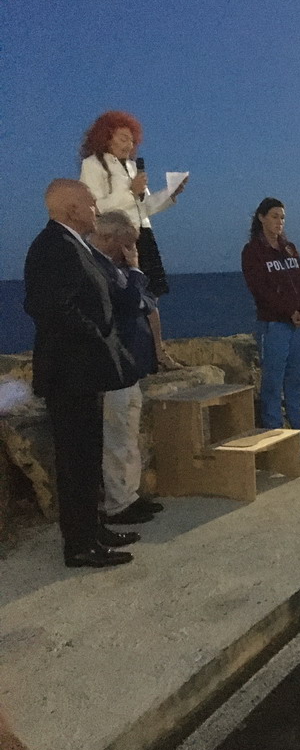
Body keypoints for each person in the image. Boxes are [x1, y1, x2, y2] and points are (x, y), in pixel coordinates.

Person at [23, 180, 137, 567]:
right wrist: (98, 338)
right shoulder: (52, 246)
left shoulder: (72, 243)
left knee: (88, 457)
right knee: (75, 462)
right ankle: (79, 545)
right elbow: (51, 307)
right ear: (71, 209)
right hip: (69, 373)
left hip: (83, 372)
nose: (96, 210)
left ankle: (93, 529)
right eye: (91, 204)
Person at [79, 110, 187, 370]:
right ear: (106, 137)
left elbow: (144, 206)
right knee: (120, 294)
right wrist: (130, 191)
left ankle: (157, 352)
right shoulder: (93, 165)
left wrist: (170, 194)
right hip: (115, 236)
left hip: (142, 232)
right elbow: (95, 206)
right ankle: (124, 353)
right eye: (123, 138)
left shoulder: (130, 167)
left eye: (132, 140)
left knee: (150, 295)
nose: (129, 145)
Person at [91, 211, 165, 527]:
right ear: (111, 240)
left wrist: (134, 277)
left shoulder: (115, 269)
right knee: (117, 439)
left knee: (128, 436)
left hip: (130, 367)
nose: (132, 250)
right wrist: (135, 269)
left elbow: (146, 301)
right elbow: (132, 302)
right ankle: (116, 503)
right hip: (114, 368)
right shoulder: (102, 268)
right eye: (128, 244)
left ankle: (129, 495)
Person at [241, 197, 300, 447]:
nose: (279, 222)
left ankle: (299, 429)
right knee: (273, 381)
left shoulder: (289, 249)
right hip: (274, 325)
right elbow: (260, 289)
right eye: (274, 216)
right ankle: (275, 434)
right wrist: (289, 311)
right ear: (261, 218)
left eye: (282, 217)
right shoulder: (253, 251)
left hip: (298, 326)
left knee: (296, 378)